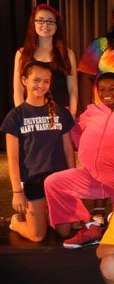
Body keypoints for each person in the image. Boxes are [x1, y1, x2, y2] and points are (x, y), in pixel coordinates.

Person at [44, 72, 114, 247]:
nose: (106, 92)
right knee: (53, 182)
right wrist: (66, 114)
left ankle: (104, 226)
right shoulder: (91, 112)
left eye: (112, 88)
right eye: (101, 89)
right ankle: (90, 222)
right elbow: (77, 134)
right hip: (91, 176)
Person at [2, 61, 75, 242]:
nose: (41, 85)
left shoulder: (59, 112)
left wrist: (72, 180)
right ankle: (16, 222)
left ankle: (46, 214)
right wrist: (17, 191)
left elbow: (68, 148)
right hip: (33, 180)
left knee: (65, 232)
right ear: (25, 80)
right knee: (37, 236)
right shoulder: (16, 115)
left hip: (58, 180)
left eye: (46, 81)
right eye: (36, 80)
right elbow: (12, 158)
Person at [13, 4, 78, 117]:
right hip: (32, 114)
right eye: (40, 21)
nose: (45, 25)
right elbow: (18, 89)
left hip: (61, 113)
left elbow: (73, 88)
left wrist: (72, 113)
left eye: (50, 21)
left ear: (56, 25)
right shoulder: (22, 53)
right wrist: (22, 115)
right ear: (33, 24)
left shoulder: (67, 54)